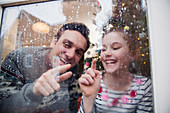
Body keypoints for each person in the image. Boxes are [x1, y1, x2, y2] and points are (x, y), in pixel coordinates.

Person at [0, 22, 90, 113]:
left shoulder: (72, 69)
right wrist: (33, 92)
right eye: (66, 45)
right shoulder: (18, 58)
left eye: (78, 52)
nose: (71, 55)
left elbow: (72, 106)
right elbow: (3, 107)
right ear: (54, 42)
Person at [78, 22, 153, 112]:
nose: (107, 53)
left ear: (132, 53)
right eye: (103, 49)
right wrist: (88, 99)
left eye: (115, 48)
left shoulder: (143, 86)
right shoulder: (94, 81)